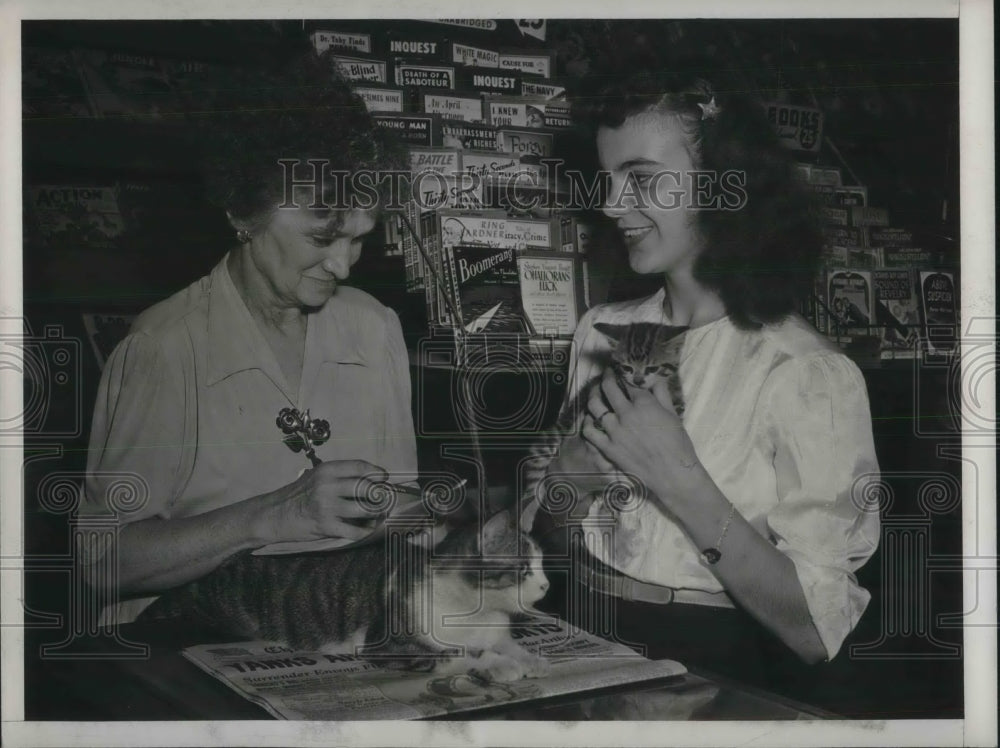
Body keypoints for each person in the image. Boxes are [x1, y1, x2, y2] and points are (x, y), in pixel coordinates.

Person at [524, 69, 880, 688]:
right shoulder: (600, 330)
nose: (610, 205)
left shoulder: (805, 372)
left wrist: (678, 476)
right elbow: (552, 536)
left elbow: (816, 631)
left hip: (711, 666)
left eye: (641, 179)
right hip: (577, 631)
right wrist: (567, 481)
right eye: (608, 180)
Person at [76, 52, 417, 624]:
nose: (342, 265)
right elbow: (101, 563)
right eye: (320, 237)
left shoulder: (375, 327)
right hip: (188, 648)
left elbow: (401, 519)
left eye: (359, 239)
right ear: (244, 211)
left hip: (337, 633)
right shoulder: (165, 347)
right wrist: (272, 517)